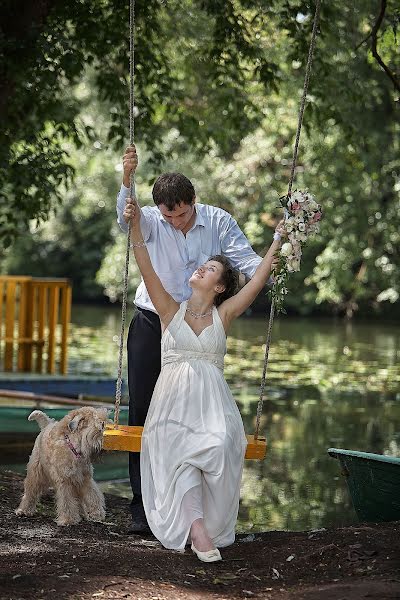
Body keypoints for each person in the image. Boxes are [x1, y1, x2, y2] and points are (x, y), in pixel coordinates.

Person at [116, 145, 270, 533]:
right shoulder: (150, 220)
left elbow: (245, 259)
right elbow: (127, 219)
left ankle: (194, 508)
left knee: (197, 419)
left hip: (199, 325)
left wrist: (270, 270)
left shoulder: (217, 221)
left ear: (193, 201)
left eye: (182, 213)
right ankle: (141, 503)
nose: (176, 221)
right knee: (144, 410)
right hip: (155, 320)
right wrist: (126, 179)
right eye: (169, 215)